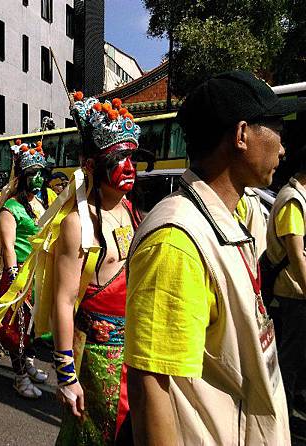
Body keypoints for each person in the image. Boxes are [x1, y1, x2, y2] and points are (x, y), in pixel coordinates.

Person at [125, 70, 300, 444]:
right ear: (241, 135)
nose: (283, 148)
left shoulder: (226, 221)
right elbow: (152, 386)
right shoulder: (177, 240)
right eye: (275, 129)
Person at [46, 93, 141, 445]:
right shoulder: (77, 223)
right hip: (100, 358)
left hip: (136, 353)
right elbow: (63, 300)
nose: (129, 166)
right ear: (90, 164)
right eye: (118, 159)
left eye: (132, 157)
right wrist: (66, 375)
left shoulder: (131, 210)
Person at [0, 140, 55, 398]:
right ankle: (19, 376)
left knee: (33, 327)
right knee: (17, 328)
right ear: (21, 176)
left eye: (41, 173)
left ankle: (29, 365)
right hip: (19, 278)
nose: (38, 179)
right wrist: (15, 277)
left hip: (38, 275)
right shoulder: (10, 209)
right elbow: (7, 247)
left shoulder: (39, 203)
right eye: (32, 174)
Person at [264, 145, 306, 436]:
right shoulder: (293, 201)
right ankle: (286, 425)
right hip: (294, 296)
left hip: (298, 295)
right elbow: (297, 256)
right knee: (289, 366)